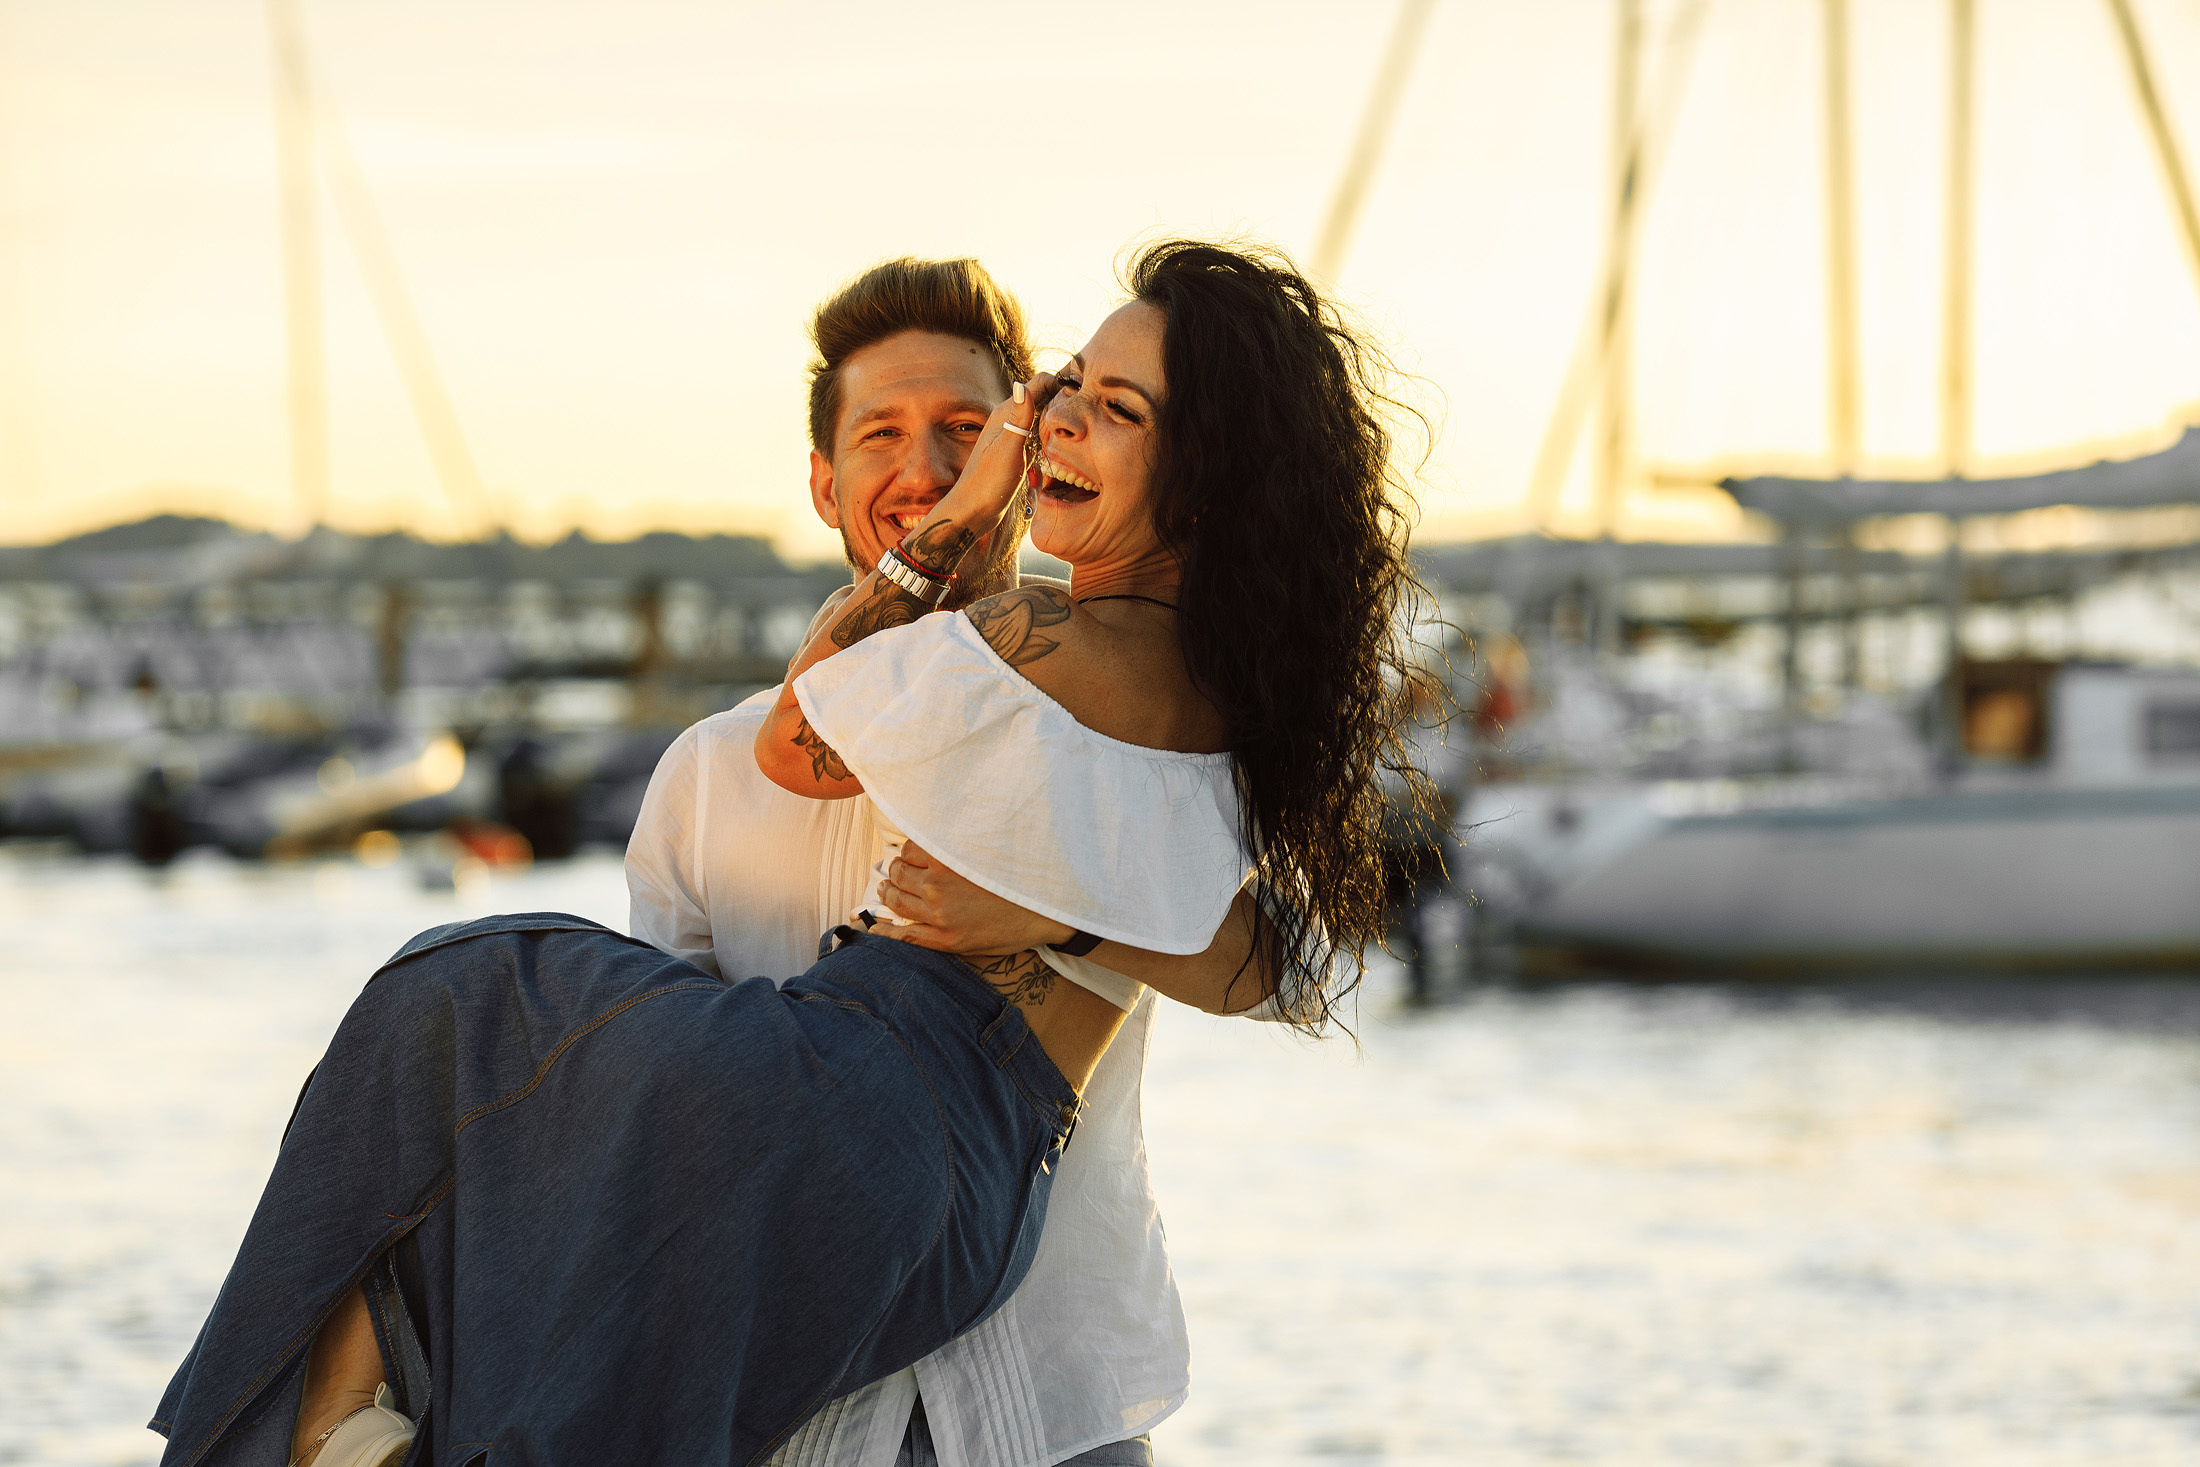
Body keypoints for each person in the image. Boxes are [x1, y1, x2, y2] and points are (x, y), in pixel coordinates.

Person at [149, 240, 1433, 1467]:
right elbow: (1292, 960)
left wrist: (1048, 915)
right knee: (496, 1065)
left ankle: (324, 1419)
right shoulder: (1218, 690)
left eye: (1078, 413)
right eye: (1062, 398)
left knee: (450, 994)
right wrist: (1068, 916)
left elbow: (805, 742)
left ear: (1197, 475)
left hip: (1033, 1388)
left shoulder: (1013, 647)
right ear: (821, 481)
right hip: (880, 1281)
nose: (1018, 443)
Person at [625, 255, 1189, 1467]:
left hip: (1058, 1406)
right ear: (824, 484)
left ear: (1032, 450)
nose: (931, 470)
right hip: (784, 1417)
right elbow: (658, 1118)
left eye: (968, 432)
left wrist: (1058, 924)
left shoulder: (1121, 716)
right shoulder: (710, 775)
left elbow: (1270, 957)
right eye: (883, 435)